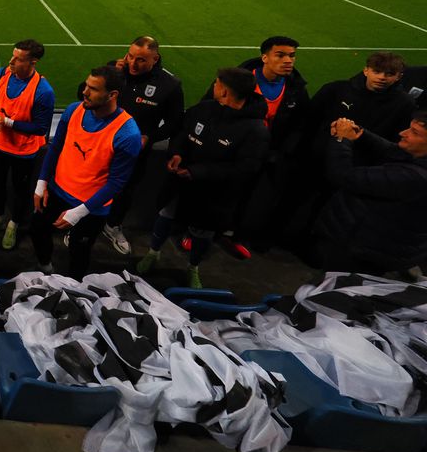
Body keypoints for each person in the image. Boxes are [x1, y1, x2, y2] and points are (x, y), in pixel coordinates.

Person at [136, 68, 269, 289]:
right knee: (165, 216)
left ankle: (193, 267)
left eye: (216, 83)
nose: (213, 86)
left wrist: (197, 172)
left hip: (213, 195)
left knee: (202, 233)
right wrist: (176, 153)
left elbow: (245, 168)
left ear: (225, 92)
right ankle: (153, 252)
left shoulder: (255, 130)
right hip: (179, 183)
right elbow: (180, 132)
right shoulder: (204, 109)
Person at [29, 66, 142, 278]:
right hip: (57, 191)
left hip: (91, 207)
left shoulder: (127, 134)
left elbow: (116, 183)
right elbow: (56, 147)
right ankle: (45, 268)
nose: (85, 92)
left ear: (112, 95)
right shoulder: (73, 110)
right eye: (87, 85)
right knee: (37, 229)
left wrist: (80, 211)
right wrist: (41, 183)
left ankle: (74, 286)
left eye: (93, 89)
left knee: (79, 250)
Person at [212, 36, 310, 255]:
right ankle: (204, 231)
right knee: (219, 190)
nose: (288, 61)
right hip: (231, 148)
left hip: (268, 155)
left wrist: (282, 151)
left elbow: (301, 125)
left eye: (292, 56)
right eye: (281, 55)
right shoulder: (239, 80)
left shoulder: (295, 88)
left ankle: (240, 235)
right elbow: (211, 105)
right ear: (264, 57)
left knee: (254, 197)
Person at [315, 112, 427, 274]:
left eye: (415, 132)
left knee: (332, 290)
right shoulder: (420, 162)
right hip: (378, 245)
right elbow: (393, 150)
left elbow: (343, 175)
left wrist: (342, 139)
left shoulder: (414, 177)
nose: (403, 133)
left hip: (365, 250)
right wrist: (361, 135)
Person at [101, 36, 184, 255]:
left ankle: (112, 226)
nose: (132, 63)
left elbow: (176, 123)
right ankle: (85, 223)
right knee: (92, 183)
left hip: (134, 152)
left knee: (125, 191)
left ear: (155, 59)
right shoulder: (114, 70)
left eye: (141, 60)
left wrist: (150, 136)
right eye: (130, 56)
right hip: (100, 143)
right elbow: (86, 95)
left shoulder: (170, 85)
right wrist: (110, 74)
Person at [0, 39, 54, 251]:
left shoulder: (43, 91)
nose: (11, 61)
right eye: (13, 55)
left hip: (23, 152)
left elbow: (40, 128)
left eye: (18, 59)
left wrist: (8, 122)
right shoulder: (0, 74)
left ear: (33, 62)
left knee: (20, 191)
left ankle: (13, 224)